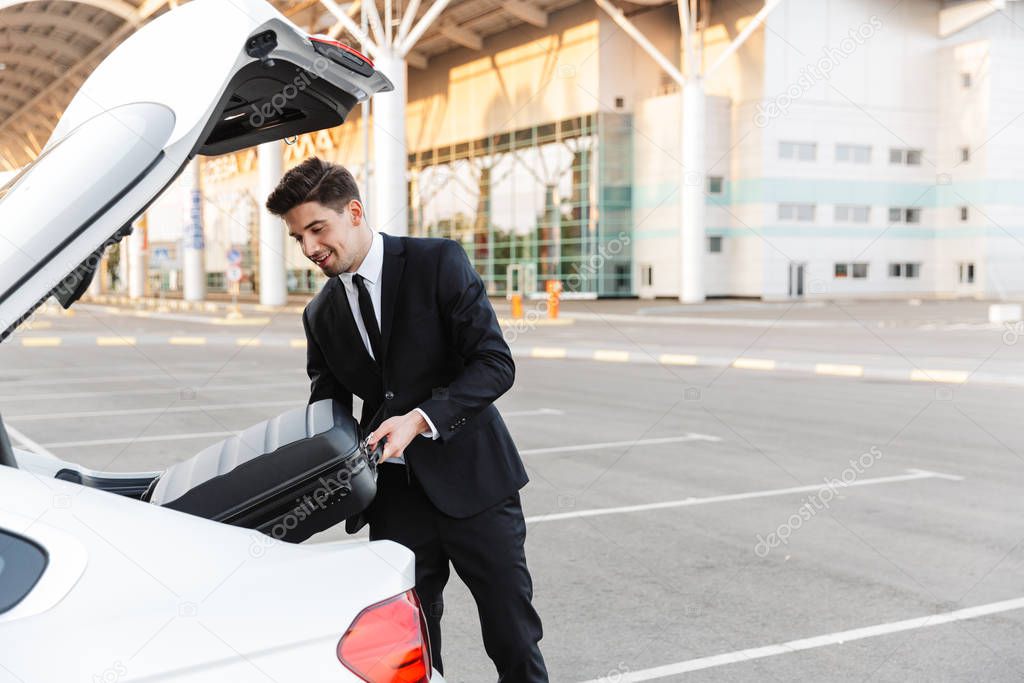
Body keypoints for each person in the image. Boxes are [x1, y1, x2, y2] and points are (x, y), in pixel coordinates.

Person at [265, 157, 549, 682]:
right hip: (395, 504)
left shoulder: (437, 261)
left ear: (353, 211)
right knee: (410, 646)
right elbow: (327, 408)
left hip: (476, 485)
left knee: (512, 636)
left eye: (316, 229)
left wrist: (419, 419)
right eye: (297, 236)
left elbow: (494, 363)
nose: (308, 248)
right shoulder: (320, 313)